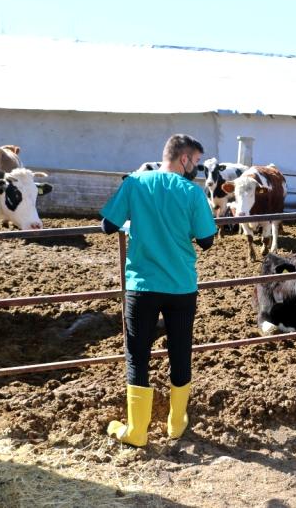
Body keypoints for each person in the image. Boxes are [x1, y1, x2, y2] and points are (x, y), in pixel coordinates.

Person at [100, 134, 217, 447]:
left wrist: (132, 224)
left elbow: (107, 225)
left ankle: (137, 431)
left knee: (137, 355)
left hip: (142, 285)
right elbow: (207, 241)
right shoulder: (192, 193)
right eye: (195, 162)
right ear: (183, 159)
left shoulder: (135, 183)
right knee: (181, 351)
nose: (197, 168)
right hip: (181, 286)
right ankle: (176, 423)